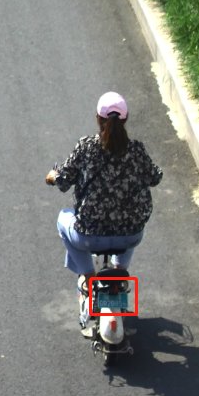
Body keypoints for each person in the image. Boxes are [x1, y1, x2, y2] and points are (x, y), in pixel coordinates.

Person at [45, 91, 162, 324]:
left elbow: (64, 181)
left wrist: (51, 176)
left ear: (98, 119)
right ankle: (119, 270)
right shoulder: (137, 150)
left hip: (89, 237)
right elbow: (155, 177)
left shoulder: (86, 147)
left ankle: (89, 276)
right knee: (130, 220)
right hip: (129, 236)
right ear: (125, 120)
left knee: (63, 218)